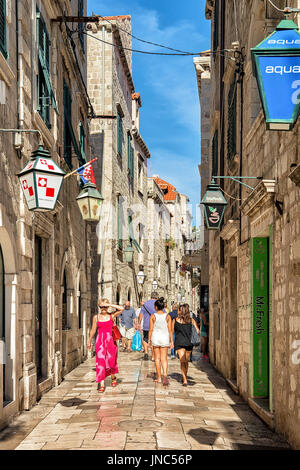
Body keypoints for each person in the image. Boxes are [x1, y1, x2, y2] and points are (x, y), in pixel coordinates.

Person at [87, 298, 123, 393]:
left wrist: (110, 305)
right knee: (101, 362)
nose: (103, 308)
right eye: (101, 307)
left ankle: (113, 376)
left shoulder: (112, 315)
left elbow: (121, 309)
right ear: (99, 307)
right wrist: (89, 341)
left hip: (110, 341)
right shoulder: (96, 317)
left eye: (105, 307)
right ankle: (101, 383)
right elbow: (93, 330)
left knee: (111, 361)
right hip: (100, 342)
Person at [172, 303, 200, 386]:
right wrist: (170, 341)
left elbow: (197, 331)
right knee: (182, 360)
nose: (177, 311)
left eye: (179, 310)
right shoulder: (175, 320)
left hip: (188, 343)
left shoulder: (192, 320)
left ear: (182, 311)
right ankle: (184, 380)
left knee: (185, 361)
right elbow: (171, 331)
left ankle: (185, 376)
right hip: (179, 343)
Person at [148, 297, 173, 386]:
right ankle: (165, 375)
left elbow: (150, 329)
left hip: (155, 337)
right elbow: (170, 329)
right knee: (164, 358)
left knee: (157, 359)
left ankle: (159, 378)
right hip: (165, 337)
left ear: (155, 307)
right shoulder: (168, 316)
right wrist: (171, 341)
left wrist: (149, 340)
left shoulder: (153, 316)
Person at [138, 291, 160, 360]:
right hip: (155, 325)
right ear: (157, 297)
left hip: (146, 325)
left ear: (151, 296)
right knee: (154, 340)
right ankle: (153, 356)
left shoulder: (145, 304)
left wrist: (139, 323)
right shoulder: (158, 304)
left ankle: (146, 352)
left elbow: (141, 315)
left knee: (145, 339)